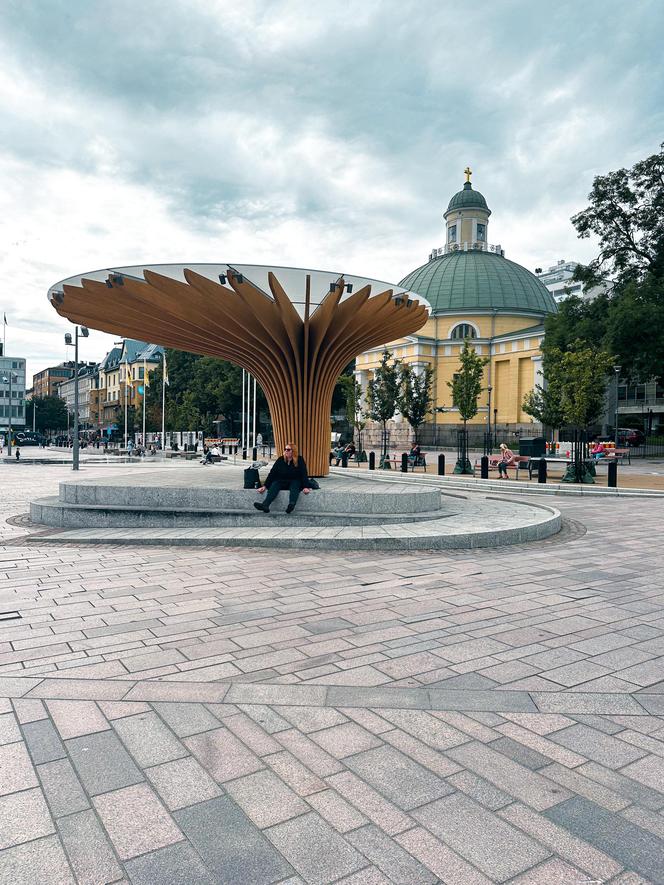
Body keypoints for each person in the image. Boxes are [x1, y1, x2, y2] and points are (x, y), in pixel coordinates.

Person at [254, 442, 311, 513]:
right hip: (282, 481)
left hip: (294, 481)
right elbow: (272, 473)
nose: (286, 451)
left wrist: (306, 486)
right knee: (275, 484)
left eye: (288, 449)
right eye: (285, 449)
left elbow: (304, 473)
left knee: (295, 485)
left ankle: (291, 505)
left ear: (293, 451)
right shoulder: (280, 460)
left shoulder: (300, 460)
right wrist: (265, 486)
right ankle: (265, 505)